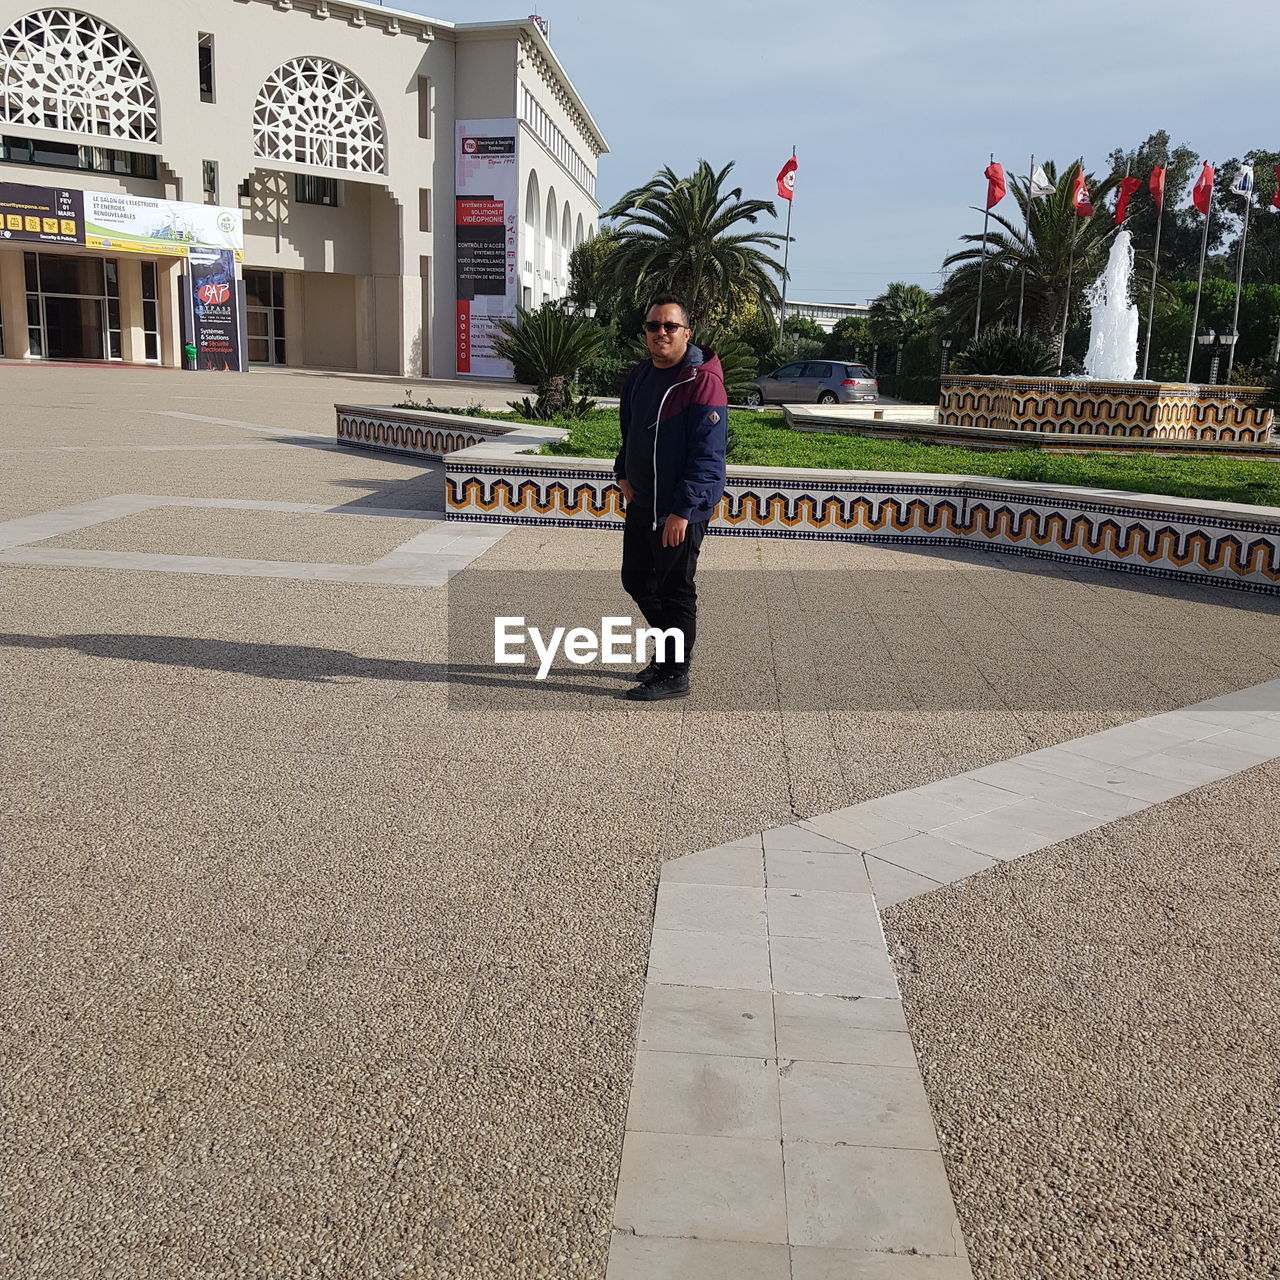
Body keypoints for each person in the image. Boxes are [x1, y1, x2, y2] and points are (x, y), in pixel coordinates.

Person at [614, 294, 727, 702]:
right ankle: (670, 652)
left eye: (669, 326)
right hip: (643, 502)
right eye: (653, 326)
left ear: (686, 332)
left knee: (676, 589)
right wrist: (622, 474)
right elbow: (631, 434)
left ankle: (675, 671)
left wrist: (683, 510)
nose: (661, 332)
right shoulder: (641, 375)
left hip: (680, 510)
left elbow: (708, 454)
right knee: (637, 579)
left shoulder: (701, 381)